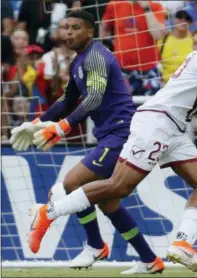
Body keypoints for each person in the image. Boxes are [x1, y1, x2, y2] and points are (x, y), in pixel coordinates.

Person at [28, 18, 197, 273]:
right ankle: (49, 212)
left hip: (174, 128)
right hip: (157, 122)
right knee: (118, 187)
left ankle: (182, 244)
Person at [10, 10, 164, 275]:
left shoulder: (96, 57)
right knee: (109, 204)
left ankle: (94, 245)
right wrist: (37, 123)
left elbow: (92, 98)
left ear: (90, 32)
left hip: (122, 133)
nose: (68, 32)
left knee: (72, 183)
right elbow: (67, 99)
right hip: (110, 134)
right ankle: (151, 260)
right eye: (66, 27)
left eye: (75, 27)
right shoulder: (79, 60)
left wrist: (61, 127)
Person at [100, 0, 166, 96]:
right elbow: (104, 27)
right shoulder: (114, 4)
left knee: (149, 108)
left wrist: (146, 8)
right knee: (122, 108)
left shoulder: (156, 6)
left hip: (148, 69)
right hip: (121, 68)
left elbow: (157, 34)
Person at [157, 10, 193, 84]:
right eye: (180, 17)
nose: (183, 20)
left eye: (187, 18)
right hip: (165, 84)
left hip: (187, 83)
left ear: (190, 23)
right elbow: (156, 64)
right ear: (174, 20)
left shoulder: (194, 40)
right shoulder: (163, 40)